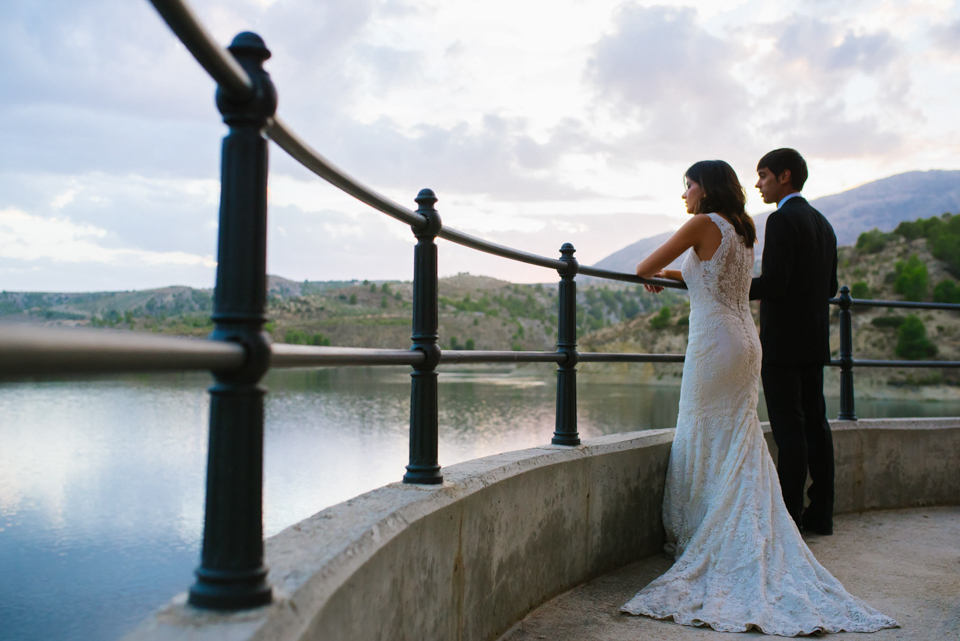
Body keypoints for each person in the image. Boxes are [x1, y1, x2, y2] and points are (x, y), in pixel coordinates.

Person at [619, 160, 897, 635]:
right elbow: (725, 280)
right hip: (746, 340)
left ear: (705, 188)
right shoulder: (743, 229)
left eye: (687, 185)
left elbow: (642, 268)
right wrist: (681, 272)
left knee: (705, 427)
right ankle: (747, 525)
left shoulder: (702, 223)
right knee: (738, 433)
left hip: (714, 344)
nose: (684, 194)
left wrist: (660, 271)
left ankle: (703, 530)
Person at [749, 148, 838, 535]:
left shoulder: (781, 219)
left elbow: (775, 285)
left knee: (789, 429)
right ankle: (821, 514)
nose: (758, 184)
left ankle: (789, 518)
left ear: (784, 176)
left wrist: (726, 284)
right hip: (815, 340)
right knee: (815, 424)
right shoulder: (823, 223)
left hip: (783, 342)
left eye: (763, 176)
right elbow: (831, 286)